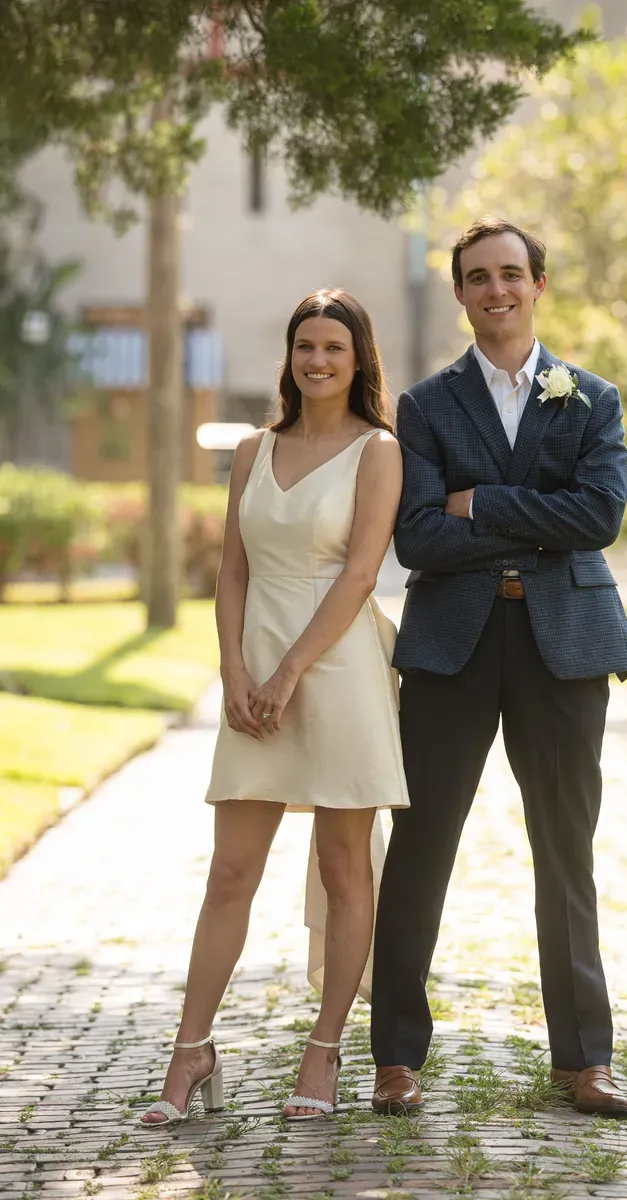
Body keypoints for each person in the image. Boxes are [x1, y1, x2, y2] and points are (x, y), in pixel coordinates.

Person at [370, 216, 627, 1119]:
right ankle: (396, 1056)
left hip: (565, 649)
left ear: (538, 284)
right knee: (421, 848)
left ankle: (584, 1058)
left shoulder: (591, 398)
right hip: (454, 647)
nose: (497, 290)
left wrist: (481, 502)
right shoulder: (426, 405)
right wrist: (533, 521)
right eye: (479, 277)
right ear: (460, 294)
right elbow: (416, 534)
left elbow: (599, 514)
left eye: (512, 274)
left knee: (566, 851)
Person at [141, 289, 407, 1127]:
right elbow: (232, 572)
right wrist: (233, 670)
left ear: (358, 358)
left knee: (344, 865)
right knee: (229, 872)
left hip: (338, 671)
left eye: (333, 346)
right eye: (304, 346)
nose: (317, 360)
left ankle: (325, 1050)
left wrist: (291, 672)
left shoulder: (378, 451)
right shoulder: (254, 449)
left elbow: (361, 575)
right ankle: (192, 1050)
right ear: (289, 356)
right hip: (255, 673)